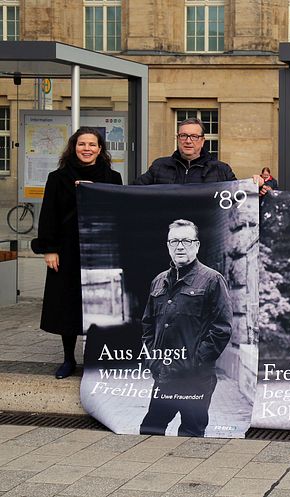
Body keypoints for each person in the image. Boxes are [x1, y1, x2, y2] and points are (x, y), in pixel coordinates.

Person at [32, 127, 123, 379]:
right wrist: (49, 249)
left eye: (92, 144)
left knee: (100, 303)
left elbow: (119, 213)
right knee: (67, 304)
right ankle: (68, 359)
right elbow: (48, 214)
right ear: (73, 147)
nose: (87, 149)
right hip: (67, 250)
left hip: (100, 249)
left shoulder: (112, 178)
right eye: (82, 144)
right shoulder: (58, 177)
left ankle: (94, 359)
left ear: (100, 149)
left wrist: (96, 193)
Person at [139, 219, 233, 437]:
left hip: (196, 379)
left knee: (191, 432)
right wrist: (152, 360)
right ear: (168, 246)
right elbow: (147, 325)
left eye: (186, 241)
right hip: (164, 376)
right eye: (174, 241)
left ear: (197, 245)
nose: (180, 246)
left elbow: (222, 328)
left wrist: (196, 361)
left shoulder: (212, 280)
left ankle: (187, 470)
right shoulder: (158, 281)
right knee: (150, 430)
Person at [134, 117, 238, 184]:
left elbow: (241, 198)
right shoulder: (159, 167)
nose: (188, 141)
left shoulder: (221, 170)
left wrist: (253, 185)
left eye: (194, 136)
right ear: (178, 138)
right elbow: (132, 192)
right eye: (183, 136)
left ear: (202, 141)